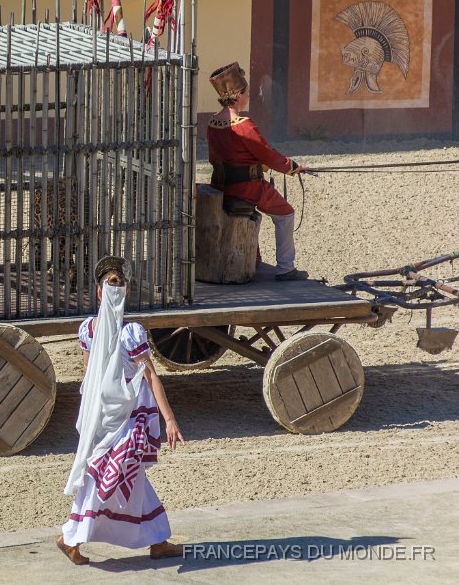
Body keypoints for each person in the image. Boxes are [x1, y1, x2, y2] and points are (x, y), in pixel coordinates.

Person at [58, 256, 184, 565]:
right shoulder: (90, 330)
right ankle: (70, 535)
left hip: (128, 416)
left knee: (130, 473)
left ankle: (158, 540)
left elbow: (150, 375)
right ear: (100, 291)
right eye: (110, 283)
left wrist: (169, 419)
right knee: (105, 476)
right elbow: (90, 375)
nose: (115, 287)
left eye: (120, 283)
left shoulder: (131, 334)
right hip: (108, 419)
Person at [206, 62, 309, 282]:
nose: (249, 95)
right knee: (286, 213)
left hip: (221, 185)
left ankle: (254, 258)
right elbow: (269, 155)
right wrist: (293, 167)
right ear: (237, 96)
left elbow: (220, 157)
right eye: (247, 92)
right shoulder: (244, 125)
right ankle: (285, 268)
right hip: (248, 188)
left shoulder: (212, 123)